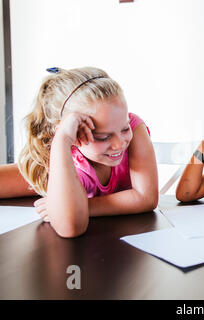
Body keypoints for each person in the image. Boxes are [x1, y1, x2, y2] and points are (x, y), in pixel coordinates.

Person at [0, 67, 158, 237]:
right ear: (72, 135)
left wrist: (85, 206)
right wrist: (62, 140)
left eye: (125, 128)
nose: (119, 144)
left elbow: (146, 198)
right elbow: (70, 226)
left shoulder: (136, 127)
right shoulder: (62, 158)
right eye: (103, 137)